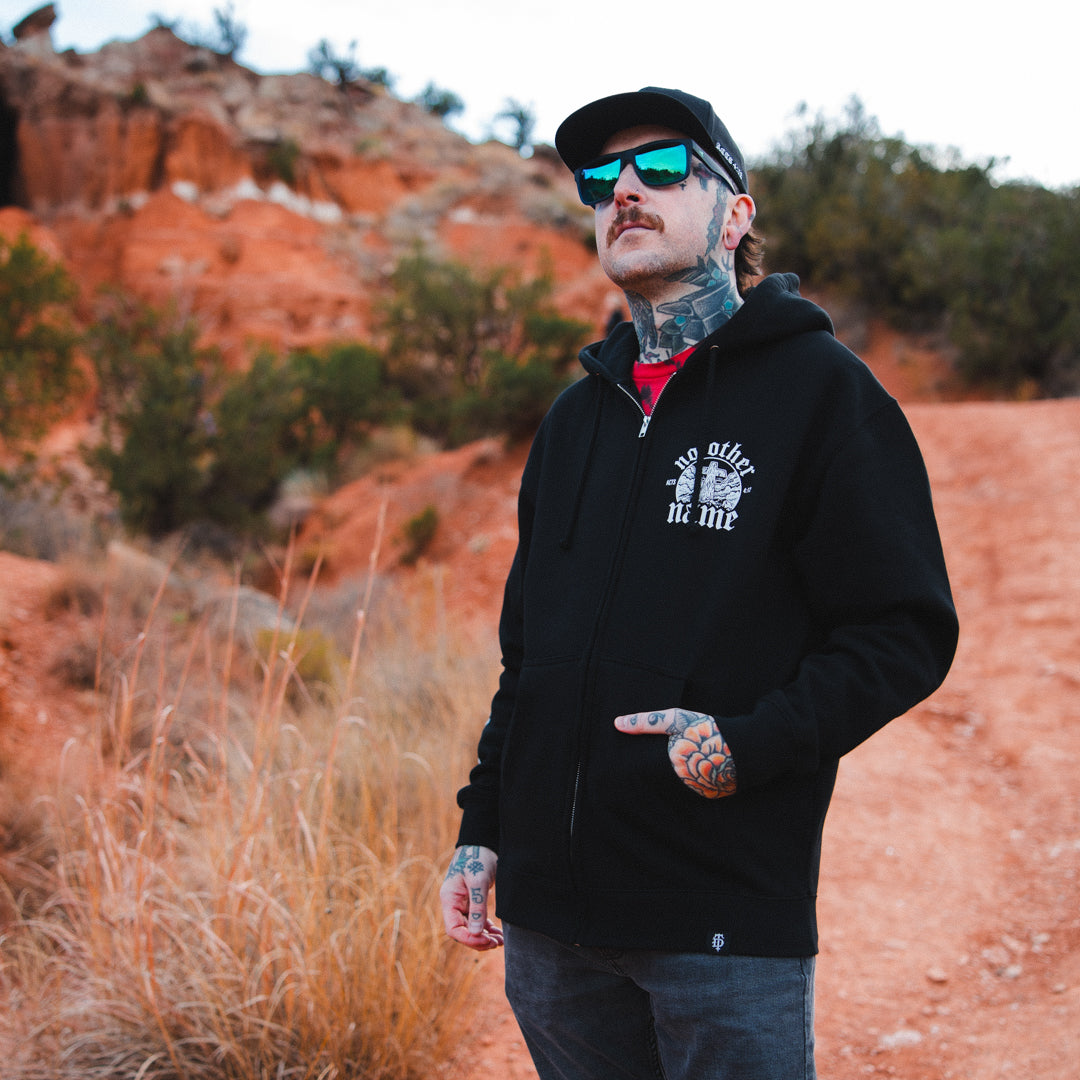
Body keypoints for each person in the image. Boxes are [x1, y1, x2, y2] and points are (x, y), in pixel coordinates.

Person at [440, 86, 958, 1079]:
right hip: (550, 939)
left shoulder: (822, 395)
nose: (624, 189)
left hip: (718, 931)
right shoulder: (572, 421)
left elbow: (903, 631)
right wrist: (483, 828)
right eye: (600, 178)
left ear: (736, 212)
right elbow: (529, 660)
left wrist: (747, 746)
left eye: (662, 166)